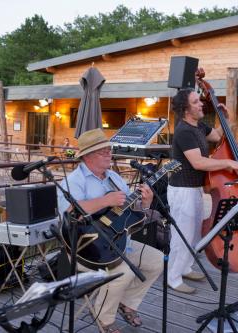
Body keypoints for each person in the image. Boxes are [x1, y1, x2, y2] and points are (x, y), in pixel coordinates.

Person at [57, 129, 163, 333]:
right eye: (102, 151)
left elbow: (130, 212)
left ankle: (127, 303)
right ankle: (104, 320)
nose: (109, 153)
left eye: (109, 149)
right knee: (122, 272)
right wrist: (105, 201)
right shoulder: (73, 181)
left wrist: (145, 203)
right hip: (84, 248)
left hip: (115, 241)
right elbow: (71, 214)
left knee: (156, 260)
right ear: (87, 156)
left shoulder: (114, 177)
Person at [167, 88, 238, 294]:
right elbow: (198, 162)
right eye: (196, 102)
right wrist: (228, 163)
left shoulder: (199, 126)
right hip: (182, 189)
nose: (201, 104)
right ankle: (173, 278)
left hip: (194, 188)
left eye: (199, 100)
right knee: (182, 234)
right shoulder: (184, 131)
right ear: (186, 109)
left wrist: (226, 118)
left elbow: (218, 136)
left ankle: (185, 268)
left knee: (194, 233)